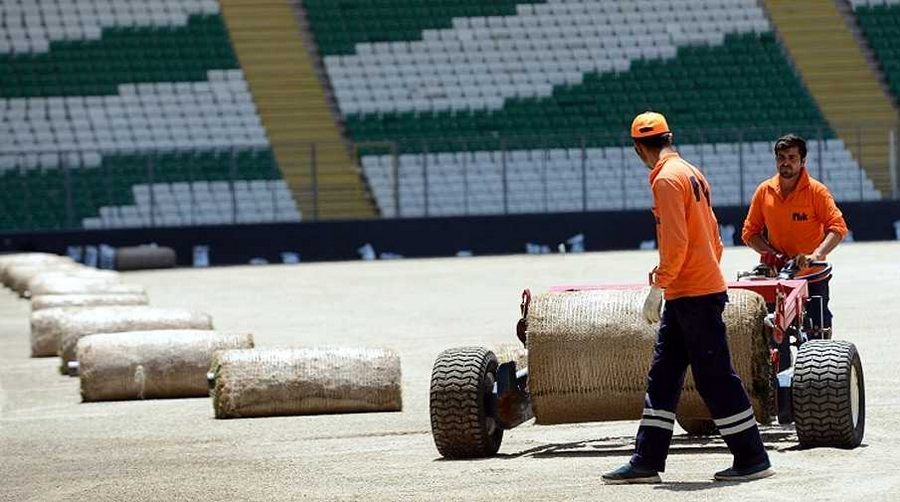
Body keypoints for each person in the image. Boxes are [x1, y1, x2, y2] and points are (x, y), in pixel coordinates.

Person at [602, 112, 772, 484]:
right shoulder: (692, 173)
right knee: (663, 376)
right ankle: (646, 459)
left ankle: (752, 457)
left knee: (715, 377)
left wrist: (659, 285)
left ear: (637, 148)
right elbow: (714, 237)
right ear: (669, 138)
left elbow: (676, 243)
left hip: (691, 293)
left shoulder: (665, 180)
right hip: (692, 290)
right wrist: (696, 275)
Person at [742, 134, 849, 337]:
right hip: (777, 277)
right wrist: (772, 254)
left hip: (812, 276)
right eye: (781, 157)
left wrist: (815, 256)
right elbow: (750, 232)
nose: (786, 163)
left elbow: (838, 227)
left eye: (792, 158)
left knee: (818, 334)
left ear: (802, 162)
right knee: (773, 335)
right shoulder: (764, 191)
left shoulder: (817, 191)